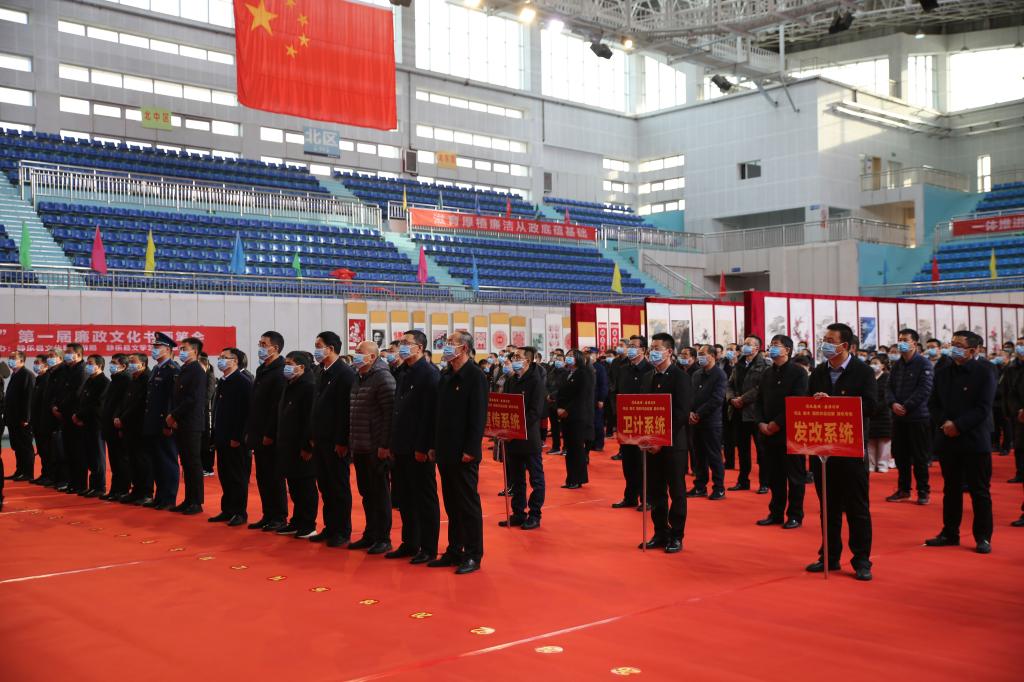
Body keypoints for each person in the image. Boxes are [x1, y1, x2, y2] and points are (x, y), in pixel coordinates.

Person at [807, 323, 877, 581]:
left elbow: (871, 406)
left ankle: (862, 560)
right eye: (824, 339)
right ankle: (829, 556)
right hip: (824, 450)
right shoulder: (819, 372)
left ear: (845, 345)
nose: (825, 344)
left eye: (830, 340)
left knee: (857, 508)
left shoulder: (863, 371)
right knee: (828, 507)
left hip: (851, 449)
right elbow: (807, 402)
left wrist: (836, 404)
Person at [926, 330, 997, 554]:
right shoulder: (943, 372)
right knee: (951, 489)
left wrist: (958, 425)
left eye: (959, 345)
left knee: (979, 491)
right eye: (952, 343)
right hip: (948, 438)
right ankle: (949, 532)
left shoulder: (985, 371)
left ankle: (983, 537)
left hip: (974, 439)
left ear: (972, 350)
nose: (953, 348)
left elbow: (983, 407)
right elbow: (933, 403)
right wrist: (945, 423)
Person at [428, 330, 489, 575]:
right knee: (452, 503)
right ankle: (455, 549)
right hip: (445, 449)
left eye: (451, 343)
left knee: (467, 504)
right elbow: (438, 415)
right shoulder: (445, 375)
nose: (446, 346)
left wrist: (471, 449)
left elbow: (478, 416)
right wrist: (434, 445)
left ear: (464, 348)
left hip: (464, 452)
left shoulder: (475, 376)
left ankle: (473, 554)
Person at [390, 330, 440, 562]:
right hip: (401, 445)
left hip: (418, 448)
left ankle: (428, 547)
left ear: (419, 347)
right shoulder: (404, 372)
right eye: (401, 342)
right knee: (405, 498)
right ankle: (410, 542)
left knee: (424, 499)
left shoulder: (429, 374)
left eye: (406, 343)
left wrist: (424, 447)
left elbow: (430, 416)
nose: (402, 346)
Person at [641, 333, 693, 553]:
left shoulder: (680, 377)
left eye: (657, 348)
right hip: (651, 444)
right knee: (655, 490)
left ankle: (677, 535)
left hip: (673, 444)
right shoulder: (648, 377)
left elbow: (681, 413)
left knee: (676, 490)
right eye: (651, 348)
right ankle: (660, 532)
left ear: (669, 351)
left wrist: (662, 439)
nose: (652, 352)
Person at [755, 335, 810, 529]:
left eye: (776, 345)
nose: (772, 348)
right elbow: (759, 400)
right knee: (775, 476)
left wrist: (777, 423)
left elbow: (798, 401)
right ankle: (776, 512)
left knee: (795, 477)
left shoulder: (798, 372)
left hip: (791, 432)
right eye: (771, 345)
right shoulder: (767, 373)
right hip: (768, 432)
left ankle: (795, 515)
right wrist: (761, 423)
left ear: (787, 349)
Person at [347, 341, 396, 554]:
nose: (356, 355)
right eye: (356, 352)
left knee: (379, 494)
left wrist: (385, 445)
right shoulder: (359, 376)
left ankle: (383, 537)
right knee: (367, 493)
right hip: (360, 445)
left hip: (376, 446)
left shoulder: (383, 377)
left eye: (360, 352)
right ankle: (370, 533)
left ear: (373, 357)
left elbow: (389, 414)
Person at [308, 331, 357, 548]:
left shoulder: (345, 373)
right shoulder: (321, 371)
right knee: (325, 486)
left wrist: (342, 441)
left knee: (338, 487)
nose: (316, 350)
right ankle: (330, 526)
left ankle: (342, 530)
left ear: (331, 348)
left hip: (335, 440)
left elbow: (345, 411)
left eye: (319, 346)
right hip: (320, 438)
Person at [885, 329, 934, 505]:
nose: (901, 343)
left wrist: (906, 406)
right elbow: (888, 387)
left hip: (917, 417)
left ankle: (923, 491)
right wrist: (893, 404)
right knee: (900, 456)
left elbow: (925, 389)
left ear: (915, 343)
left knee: (919, 457)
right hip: (898, 418)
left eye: (905, 340)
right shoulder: (897, 365)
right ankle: (903, 489)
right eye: (899, 339)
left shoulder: (924, 364)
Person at [246, 331, 288, 532]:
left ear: (275, 348)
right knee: (263, 477)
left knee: (274, 477)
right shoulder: (262, 369)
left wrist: (270, 433)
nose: (260, 347)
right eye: (260, 343)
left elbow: (276, 406)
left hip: (271, 435)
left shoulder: (281, 371)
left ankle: (279, 516)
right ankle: (268, 514)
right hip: (258, 431)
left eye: (264, 344)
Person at [501, 346, 546, 529]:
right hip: (512, 439)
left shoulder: (536, 381)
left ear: (527, 360)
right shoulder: (511, 380)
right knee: (516, 479)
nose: (514, 360)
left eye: (518, 357)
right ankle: (518, 513)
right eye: (513, 357)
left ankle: (535, 514)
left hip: (528, 438)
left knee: (536, 479)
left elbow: (535, 412)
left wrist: (517, 429)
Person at [275, 351, 318, 538]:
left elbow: (310, 419)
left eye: (290, 364)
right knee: (294, 486)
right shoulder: (290, 384)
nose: (286, 367)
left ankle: (308, 524)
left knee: (305, 486)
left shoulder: (309, 387)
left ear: (301, 367)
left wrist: (307, 446)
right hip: (288, 444)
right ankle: (297, 521)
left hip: (302, 446)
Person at [209, 347, 252, 527]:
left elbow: (246, 413)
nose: (220, 360)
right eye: (220, 357)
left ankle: (239, 512)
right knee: (225, 475)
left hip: (236, 439)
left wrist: (238, 436)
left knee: (237, 476)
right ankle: (227, 509)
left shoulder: (243, 382)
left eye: (224, 357)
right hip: (222, 436)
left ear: (235, 361)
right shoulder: (223, 381)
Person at [611, 336, 654, 510]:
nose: (630, 349)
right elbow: (616, 392)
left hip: (645, 422)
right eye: (629, 345)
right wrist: (617, 415)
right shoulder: (623, 369)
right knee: (628, 462)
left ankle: (647, 498)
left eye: (633, 346)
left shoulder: (651, 369)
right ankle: (630, 496)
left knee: (643, 462)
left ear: (643, 350)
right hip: (626, 421)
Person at [167, 337, 208, 515]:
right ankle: (188, 499)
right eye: (181, 348)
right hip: (181, 422)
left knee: (193, 463)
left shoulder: (197, 370)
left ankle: (196, 502)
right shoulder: (185, 369)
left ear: (195, 351)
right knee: (186, 463)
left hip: (191, 423)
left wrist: (174, 414)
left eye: (185, 349)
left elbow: (192, 399)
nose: (181, 351)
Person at [726, 335, 769, 493]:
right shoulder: (738, 364)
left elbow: (761, 388)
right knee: (742, 450)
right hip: (738, 412)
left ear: (757, 347)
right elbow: (729, 384)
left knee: (761, 450)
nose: (744, 346)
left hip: (755, 413)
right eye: (744, 344)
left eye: (748, 344)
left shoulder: (765, 365)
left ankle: (765, 482)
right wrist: (731, 399)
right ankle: (743, 481)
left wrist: (743, 399)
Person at [145, 333, 180, 510]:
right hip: (153, 423)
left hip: (165, 423)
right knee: (157, 461)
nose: (154, 350)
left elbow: (172, 399)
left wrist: (169, 423)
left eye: (157, 347)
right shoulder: (156, 369)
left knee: (168, 460)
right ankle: (160, 496)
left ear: (167, 350)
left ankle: (169, 498)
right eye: (154, 346)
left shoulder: (173, 370)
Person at [688, 345, 728, 500]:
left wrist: (699, 413)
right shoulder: (697, 374)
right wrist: (691, 412)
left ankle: (719, 488)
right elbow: (691, 396)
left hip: (711, 422)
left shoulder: (720, 375)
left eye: (703, 354)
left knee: (714, 456)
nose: (700, 357)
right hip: (695, 421)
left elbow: (717, 399)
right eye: (698, 354)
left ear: (712, 356)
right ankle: (700, 486)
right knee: (698, 456)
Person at [70, 354, 109, 497]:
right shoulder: (89, 381)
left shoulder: (104, 382)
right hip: (85, 423)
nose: (87, 366)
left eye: (91, 363)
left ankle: (99, 486)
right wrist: (77, 415)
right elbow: (81, 400)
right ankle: (92, 486)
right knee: (89, 455)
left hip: (95, 424)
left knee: (97, 456)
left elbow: (98, 406)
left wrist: (81, 416)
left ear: (99, 366)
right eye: (87, 363)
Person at [115, 354, 151, 504]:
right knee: (133, 460)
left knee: (143, 461)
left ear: (142, 364)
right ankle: (136, 491)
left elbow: (139, 404)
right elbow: (125, 401)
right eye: (129, 362)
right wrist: (118, 417)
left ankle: (146, 493)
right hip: (128, 426)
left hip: (140, 426)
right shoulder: (133, 379)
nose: (130, 365)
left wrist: (122, 419)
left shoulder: (147, 379)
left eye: (133, 362)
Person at [557, 349, 595, 489]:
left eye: (572, 356)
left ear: (578, 358)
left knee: (577, 448)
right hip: (565, 416)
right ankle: (570, 478)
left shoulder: (584, 374)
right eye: (567, 355)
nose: (568, 358)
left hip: (577, 415)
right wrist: (558, 407)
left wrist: (567, 410)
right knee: (569, 448)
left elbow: (581, 396)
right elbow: (561, 393)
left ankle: (578, 479)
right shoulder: (567, 373)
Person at [55, 344, 87, 492]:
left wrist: (61, 407)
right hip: (66, 416)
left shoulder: (82, 370)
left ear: (78, 355)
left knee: (78, 452)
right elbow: (62, 391)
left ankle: (79, 484)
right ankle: (72, 482)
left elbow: (76, 394)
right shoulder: (67, 370)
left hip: (75, 416)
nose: (66, 355)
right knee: (69, 451)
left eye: (69, 352)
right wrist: (57, 406)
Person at [100, 354, 131, 500]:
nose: (111, 365)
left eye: (114, 363)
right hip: (109, 426)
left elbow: (123, 404)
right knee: (114, 460)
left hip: (117, 426)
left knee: (121, 460)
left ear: (123, 366)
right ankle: (115, 489)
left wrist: (119, 420)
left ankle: (122, 489)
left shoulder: (125, 380)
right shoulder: (115, 380)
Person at [4, 352, 35, 482]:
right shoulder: (15, 375)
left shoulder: (27, 375)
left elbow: (29, 398)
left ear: (21, 361)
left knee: (25, 446)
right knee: (17, 446)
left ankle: (27, 472)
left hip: (22, 419)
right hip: (13, 418)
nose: (10, 360)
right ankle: (19, 471)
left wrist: (26, 418)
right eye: (9, 358)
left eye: (13, 358)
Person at [867, 355, 893, 473]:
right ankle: (871, 464)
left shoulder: (887, 377)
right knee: (870, 440)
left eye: (876, 363)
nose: (873, 365)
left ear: (883, 365)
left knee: (884, 441)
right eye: (872, 363)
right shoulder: (869, 378)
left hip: (884, 414)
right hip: (870, 413)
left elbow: (887, 396)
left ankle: (883, 464)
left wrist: (877, 408)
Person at [28, 355, 50, 485]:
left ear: (46, 365)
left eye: (38, 363)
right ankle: (44, 473)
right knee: (41, 450)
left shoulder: (47, 378)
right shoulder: (38, 379)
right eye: (35, 362)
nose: (35, 365)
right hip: (36, 421)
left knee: (47, 450)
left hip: (44, 421)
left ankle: (49, 475)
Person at [1005, 337, 1024, 485]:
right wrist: (1015, 410)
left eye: (1022, 345)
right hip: (1018, 413)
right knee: (1019, 445)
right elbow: (1008, 391)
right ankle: (1020, 473)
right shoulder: (1012, 367)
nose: (1019, 347)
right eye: (1018, 344)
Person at [545, 351, 567, 455]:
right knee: (554, 427)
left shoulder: (566, 373)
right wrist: (547, 395)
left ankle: (566, 447)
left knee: (565, 427)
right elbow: (546, 385)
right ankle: (555, 446)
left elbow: (563, 388)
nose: (557, 361)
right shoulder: (551, 371)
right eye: (556, 359)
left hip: (561, 403)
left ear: (564, 362)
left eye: (560, 360)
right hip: (550, 403)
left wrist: (553, 396)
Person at [199, 353, 217, 476]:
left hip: (207, 413)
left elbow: (208, 395)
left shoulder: (210, 376)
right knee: (201, 441)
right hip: (200, 413)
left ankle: (208, 467)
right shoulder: (200, 376)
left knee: (207, 440)